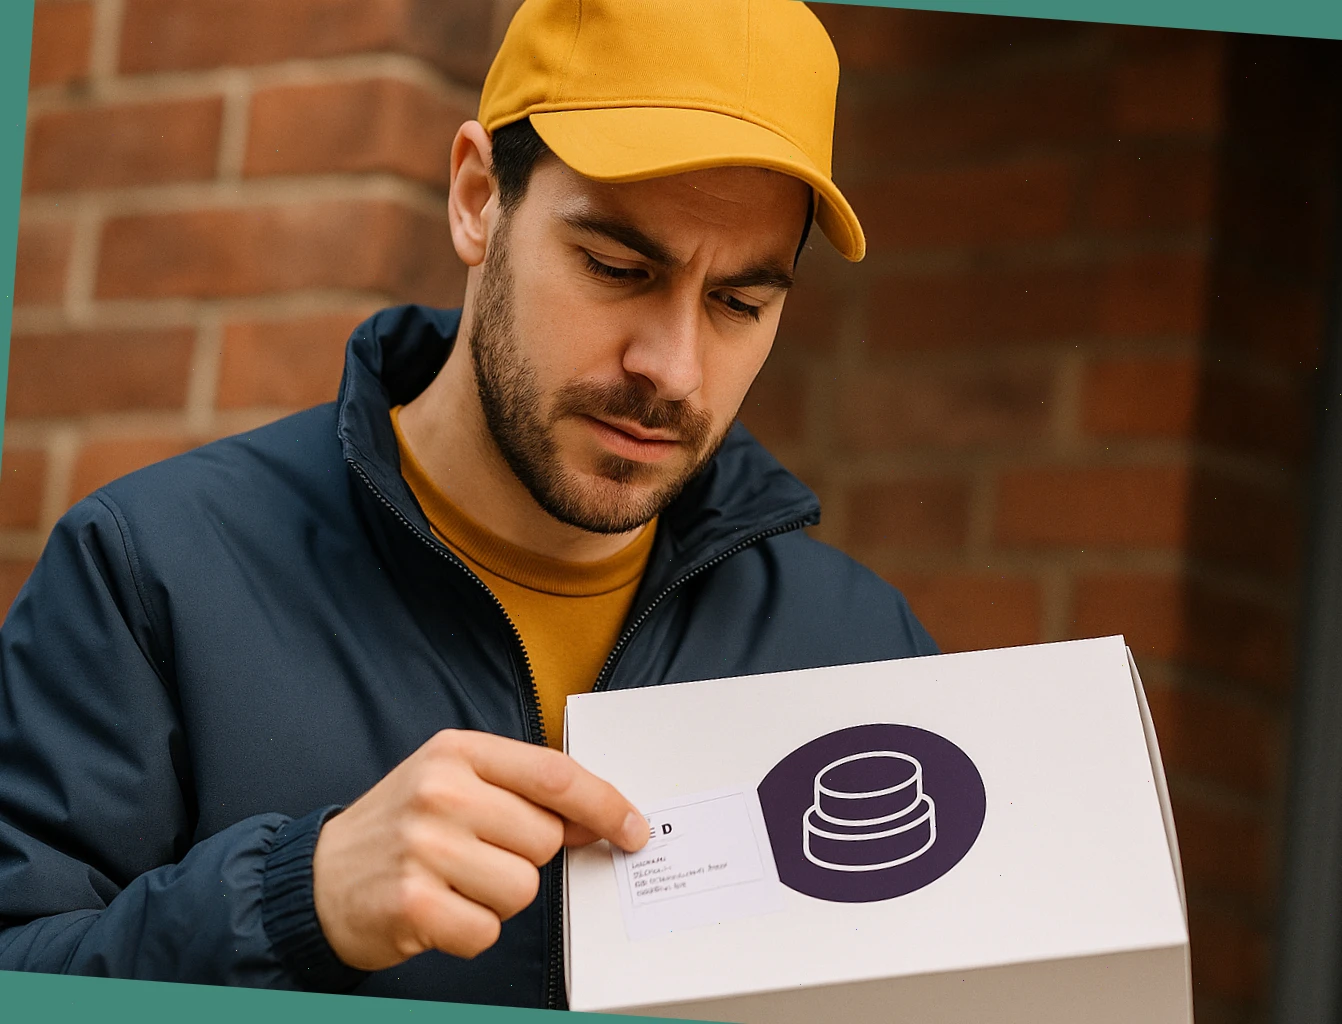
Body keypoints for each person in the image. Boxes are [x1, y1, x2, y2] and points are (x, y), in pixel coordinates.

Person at [0, 0, 936, 1009]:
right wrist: (287, 905)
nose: (673, 370)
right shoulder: (152, 570)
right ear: (477, 198)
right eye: (618, 269)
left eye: (740, 304)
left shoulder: (864, 645)